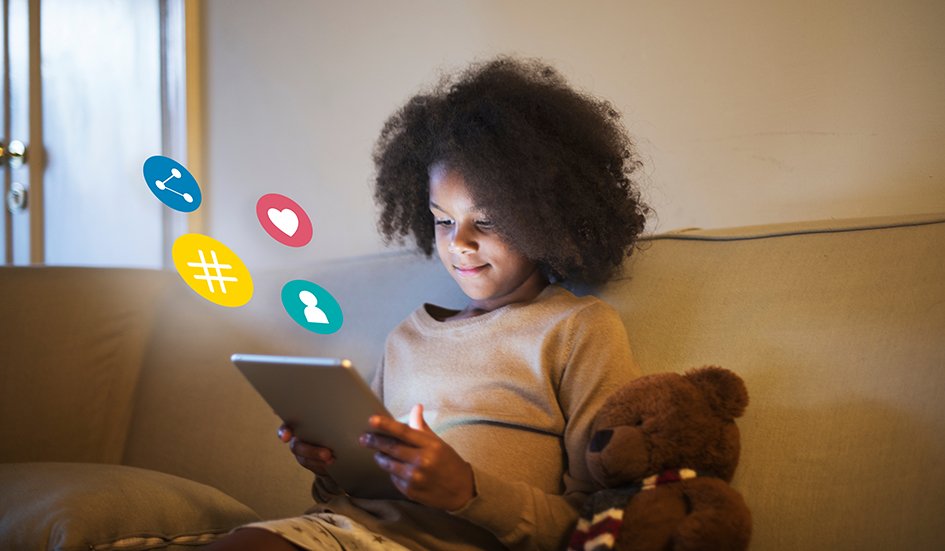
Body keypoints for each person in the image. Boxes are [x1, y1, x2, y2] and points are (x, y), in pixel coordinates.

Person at [209, 55, 649, 550]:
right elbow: (352, 497)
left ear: (546, 217)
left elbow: (602, 516)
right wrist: (328, 465)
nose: (459, 242)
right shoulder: (406, 338)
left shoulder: (577, 329)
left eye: (486, 220)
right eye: (443, 220)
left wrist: (468, 491)